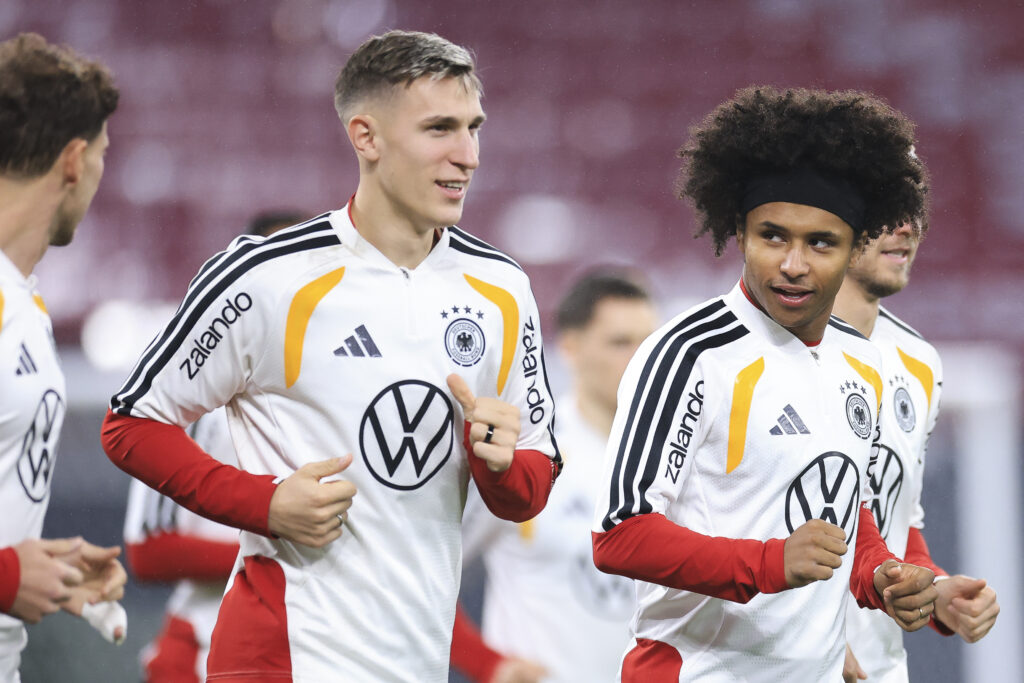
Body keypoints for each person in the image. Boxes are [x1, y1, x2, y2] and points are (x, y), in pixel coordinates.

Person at [102, 30, 561, 682]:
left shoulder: (502, 288)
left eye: (474, 127)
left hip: (416, 659)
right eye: (439, 129)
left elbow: (530, 485)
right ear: (366, 137)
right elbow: (130, 424)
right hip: (282, 656)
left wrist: (501, 466)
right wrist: (262, 503)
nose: (468, 155)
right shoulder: (266, 276)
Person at [591, 86, 940, 681]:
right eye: (773, 235)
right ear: (739, 232)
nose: (793, 264)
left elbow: (847, 517)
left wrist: (882, 577)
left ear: (856, 249)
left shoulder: (865, 364)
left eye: (820, 243)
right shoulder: (688, 354)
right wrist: (770, 562)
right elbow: (621, 536)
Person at [123, 210, 307, 683]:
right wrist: (281, 547)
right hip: (205, 646)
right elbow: (149, 549)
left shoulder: (330, 382)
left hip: (304, 647)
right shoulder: (200, 392)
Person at [451, 271, 658, 683]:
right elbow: (429, 570)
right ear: (571, 348)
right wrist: (487, 664)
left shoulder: (672, 463)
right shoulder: (528, 454)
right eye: (620, 343)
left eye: (648, 343)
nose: (641, 359)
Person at [0, 32, 127, 680]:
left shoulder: (20, 298)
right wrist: (6, 573)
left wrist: (39, 565)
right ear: (73, 160)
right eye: (103, 155)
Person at [835, 221, 1000, 682]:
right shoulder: (761, 352)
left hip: (878, 668)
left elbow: (898, 521)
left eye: (913, 207)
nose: (905, 226)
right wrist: (795, 641)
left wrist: (938, 593)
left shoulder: (918, 360)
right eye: (885, 208)